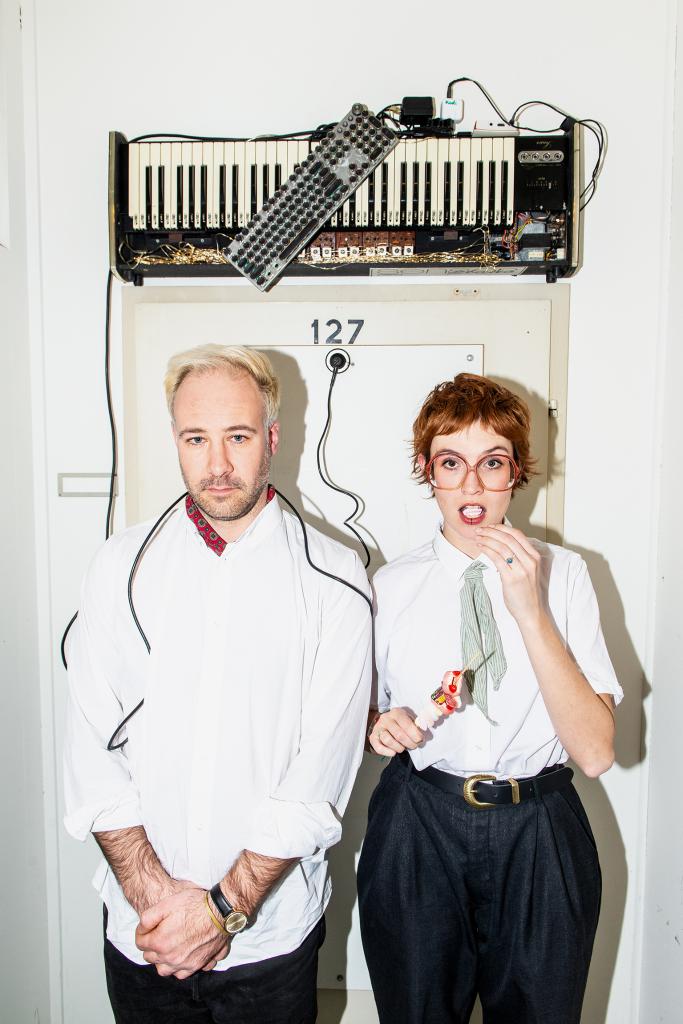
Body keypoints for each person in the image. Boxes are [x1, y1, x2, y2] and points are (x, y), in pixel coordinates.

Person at [63, 344, 372, 1024]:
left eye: (237, 436)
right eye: (195, 438)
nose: (218, 465)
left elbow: (320, 775)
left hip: (268, 943)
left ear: (272, 438)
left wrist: (220, 911)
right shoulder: (119, 566)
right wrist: (155, 900)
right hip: (144, 934)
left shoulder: (335, 578)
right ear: (175, 440)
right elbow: (90, 749)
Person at [358, 372, 622, 1024]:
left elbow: (594, 752)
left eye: (492, 463)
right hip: (417, 821)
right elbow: (361, 717)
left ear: (516, 473)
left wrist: (529, 608)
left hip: (539, 828)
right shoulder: (388, 586)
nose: (471, 486)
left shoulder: (566, 576)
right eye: (451, 463)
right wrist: (378, 724)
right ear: (428, 472)